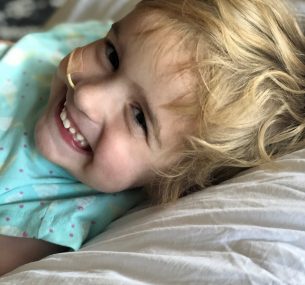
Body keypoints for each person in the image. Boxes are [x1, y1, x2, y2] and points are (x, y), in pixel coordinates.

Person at [1, 0, 305, 276]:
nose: (87, 98)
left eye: (138, 118)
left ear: (174, 179)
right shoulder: (134, 47)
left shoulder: (57, 216)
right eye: (111, 56)